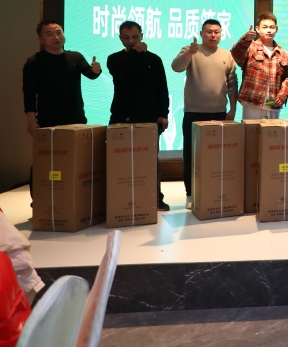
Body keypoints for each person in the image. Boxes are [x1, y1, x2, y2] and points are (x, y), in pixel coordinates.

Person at [23, 20, 102, 196]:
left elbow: (90, 74)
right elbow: (29, 94)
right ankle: (39, 199)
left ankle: (71, 198)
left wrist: (96, 70)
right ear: (40, 39)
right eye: (49, 34)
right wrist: (31, 121)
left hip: (76, 119)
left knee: (76, 160)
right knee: (45, 161)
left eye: (59, 32)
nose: (56, 37)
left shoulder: (75, 57)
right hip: (48, 120)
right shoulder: (34, 62)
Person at [171, 19, 237, 210]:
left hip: (219, 113)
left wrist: (233, 108)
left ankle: (213, 191)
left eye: (217, 32)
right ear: (201, 33)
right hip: (194, 113)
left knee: (217, 156)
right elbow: (176, 67)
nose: (213, 35)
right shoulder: (191, 50)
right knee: (191, 156)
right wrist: (189, 54)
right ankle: (190, 194)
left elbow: (232, 83)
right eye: (209, 31)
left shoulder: (226, 55)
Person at [107, 20, 171, 211]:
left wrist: (163, 114)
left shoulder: (154, 60)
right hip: (120, 116)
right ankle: (120, 198)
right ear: (120, 38)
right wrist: (134, 52)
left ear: (142, 36)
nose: (131, 41)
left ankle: (155, 198)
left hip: (148, 118)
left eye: (135, 37)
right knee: (120, 161)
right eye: (126, 38)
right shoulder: (114, 58)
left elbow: (162, 89)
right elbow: (119, 74)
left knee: (150, 160)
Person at [231, 12, 288, 121]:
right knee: (251, 131)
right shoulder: (250, 47)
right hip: (252, 102)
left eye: (272, 27)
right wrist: (245, 40)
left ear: (276, 29)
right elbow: (236, 54)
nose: (269, 30)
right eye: (265, 27)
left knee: (272, 131)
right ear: (257, 29)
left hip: (273, 103)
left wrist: (283, 94)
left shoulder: (283, 53)